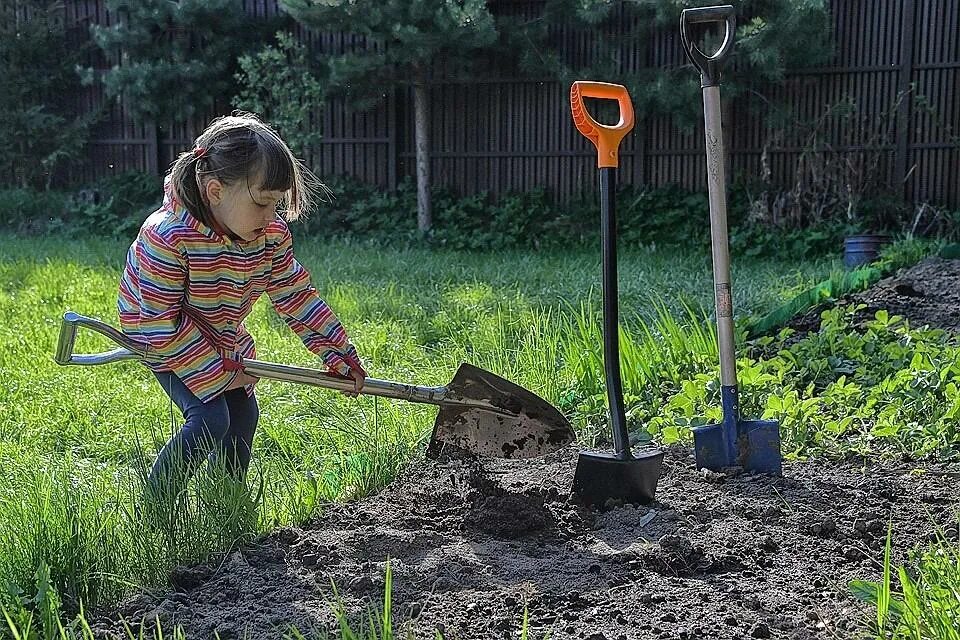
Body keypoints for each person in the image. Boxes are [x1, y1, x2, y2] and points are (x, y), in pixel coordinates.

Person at [118, 112, 365, 499]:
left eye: (277, 205)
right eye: (263, 204)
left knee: (244, 415)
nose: (271, 217)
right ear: (215, 191)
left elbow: (295, 294)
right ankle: (156, 511)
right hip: (159, 335)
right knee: (210, 418)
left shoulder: (267, 236)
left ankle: (226, 501)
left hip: (219, 334)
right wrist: (218, 373)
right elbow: (158, 320)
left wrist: (338, 353)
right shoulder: (167, 237)